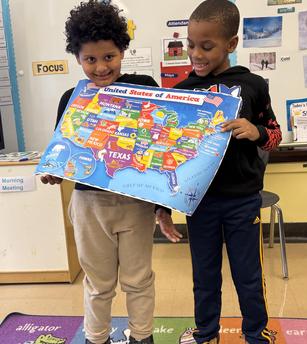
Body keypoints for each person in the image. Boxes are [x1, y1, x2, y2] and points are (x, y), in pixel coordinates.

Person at [40, 1, 175, 343]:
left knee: (139, 278)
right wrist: (56, 172)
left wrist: (164, 207)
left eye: (109, 57)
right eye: (90, 59)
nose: (101, 67)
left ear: (122, 51)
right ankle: (96, 337)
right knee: (98, 283)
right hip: (89, 206)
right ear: (78, 58)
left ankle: (142, 336)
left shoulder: (145, 86)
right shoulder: (73, 97)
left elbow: (160, 151)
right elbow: (65, 153)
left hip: (135, 203)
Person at [158, 1, 282, 343]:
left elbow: (274, 135)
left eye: (206, 46)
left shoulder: (254, 85)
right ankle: (206, 332)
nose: (195, 54)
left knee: (248, 275)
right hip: (199, 203)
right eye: (190, 44)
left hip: (243, 201)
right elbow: (167, 154)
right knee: (205, 275)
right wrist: (161, 206)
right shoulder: (180, 92)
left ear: (231, 43)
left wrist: (254, 131)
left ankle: (256, 333)